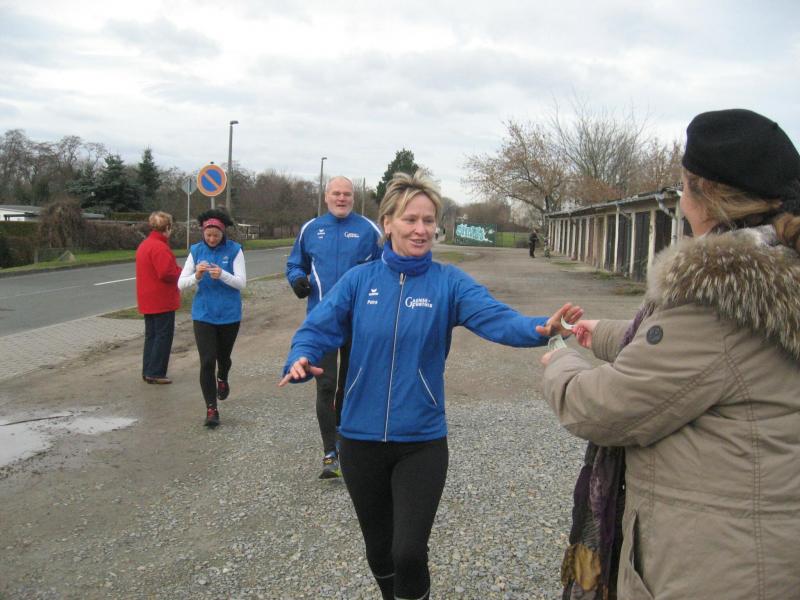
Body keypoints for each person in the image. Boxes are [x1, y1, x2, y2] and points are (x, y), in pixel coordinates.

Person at [280, 171, 582, 600]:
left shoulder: (448, 283)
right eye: (410, 220)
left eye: (428, 221)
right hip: (360, 440)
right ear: (387, 223)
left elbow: (498, 319)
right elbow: (316, 329)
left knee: (408, 552)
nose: (421, 229)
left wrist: (542, 328)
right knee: (379, 551)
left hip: (421, 440)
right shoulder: (359, 281)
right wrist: (300, 356)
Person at [540, 108, 800, 600]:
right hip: (768, 550)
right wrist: (605, 334)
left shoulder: (717, 301)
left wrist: (560, 361)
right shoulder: (775, 276)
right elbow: (692, 358)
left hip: (716, 570)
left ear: (705, 198)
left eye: (683, 187)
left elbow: (605, 407)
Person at [285, 175, 382, 477]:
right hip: (323, 322)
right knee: (326, 385)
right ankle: (330, 452)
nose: (342, 198)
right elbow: (295, 263)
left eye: (347, 194)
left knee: (351, 385)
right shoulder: (311, 229)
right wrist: (297, 280)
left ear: (354, 198)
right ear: (326, 196)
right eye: (336, 193)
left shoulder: (369, 230)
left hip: (360, 323)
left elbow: (386, 268)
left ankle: (346, 438)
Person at [179, 209, 246, 427]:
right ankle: (211, 409)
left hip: (229, 314)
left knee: (223, 358)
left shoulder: (235, 250)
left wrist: (223, 275)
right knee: (207, 361)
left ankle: (223, 376)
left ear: (223, 233)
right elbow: (181, 283)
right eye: (208, 235)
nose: (211, 239)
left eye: (216, 235)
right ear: (203, 233)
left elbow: (241, 283)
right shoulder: (196, 251)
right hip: (203, 314)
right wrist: (197, 276)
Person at [136, 211, 181, 385]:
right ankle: (156, 372)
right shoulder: (160, 247)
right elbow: (166, 273)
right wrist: (182, 272)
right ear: (167, 227)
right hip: (161, 299)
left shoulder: (145, 244)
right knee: (163, 336)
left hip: (147, 299)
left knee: (151, 336)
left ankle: (148, 370)